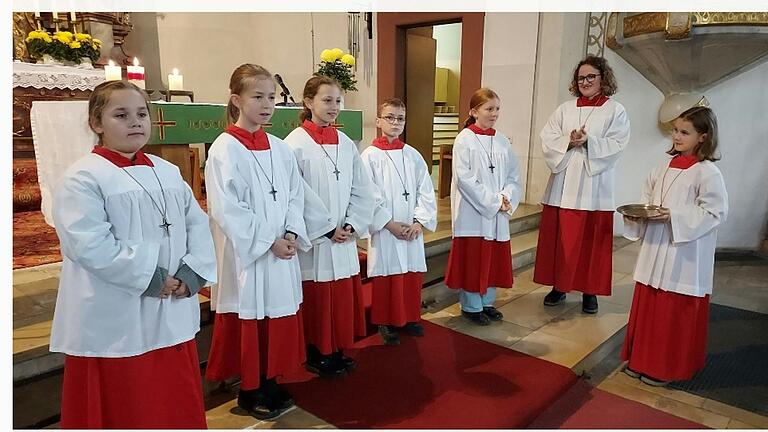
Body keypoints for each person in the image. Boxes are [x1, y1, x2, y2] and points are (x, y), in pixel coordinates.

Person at [49, 80, 216, 429]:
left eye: (141, 114)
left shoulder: (167, 171)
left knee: (171, 397)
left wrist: (191, 275)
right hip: (118, 312)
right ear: (97, 124)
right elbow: (88, 244)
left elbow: (198, 225)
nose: (135, 122)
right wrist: (153, 279)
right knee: (129, 401)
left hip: (172, 304)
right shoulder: (83, 178)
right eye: (121, 115)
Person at [204, 64, 310, 419]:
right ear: (236, 100)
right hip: (249, 255)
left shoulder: (281, 149)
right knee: (253, 316)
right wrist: (270, 242)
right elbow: (226, 208)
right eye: (258, 97)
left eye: (272, 97)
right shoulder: (224, 149)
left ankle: (271, 380)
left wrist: (292, 233)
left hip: (282, 250)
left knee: (276, 315)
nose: (268, 104)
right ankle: (250, 391)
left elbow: (297, 195)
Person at [621, 106, 727, 386]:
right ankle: (641, 360)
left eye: (684, 132)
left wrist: (675, 216)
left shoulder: (707, 172)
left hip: (684, 255)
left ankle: (664, 367)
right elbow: (647, 200)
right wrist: (637, 217)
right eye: (675, 131)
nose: (677, 137)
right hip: (655, 249)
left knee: (670, 312)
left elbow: (716, 213)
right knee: (650, 306)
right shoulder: (661, 167)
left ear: (703, 137)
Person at [284, 76, 374, 376]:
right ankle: (316, 352)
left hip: (344, 237)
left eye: (337, 101)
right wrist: (324, 228)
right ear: (308, 102)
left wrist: (351, 223)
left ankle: (335, 349)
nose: (334, 107)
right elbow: (295, 193)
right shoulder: (294, 144)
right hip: (316, 241)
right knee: (318, 300)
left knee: (339, 299)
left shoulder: (346, 143)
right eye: (326, 100)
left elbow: (361, 188)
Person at [534, 55, 631, 314]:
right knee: (563, 241)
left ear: (603, 78)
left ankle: (590, 291)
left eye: (591, 77)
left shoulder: (615, 110)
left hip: (594, 186)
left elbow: (618, 143)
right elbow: (548, 136)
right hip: (563, 185)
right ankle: (560, 286)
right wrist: (568, 139)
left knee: (591, 243)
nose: (585, 82)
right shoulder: (565, 109)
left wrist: (589, 142)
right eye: (581, 78)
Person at [361, 98, 437, 345]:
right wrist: (389, 224)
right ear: (379, 121)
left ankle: (411, 317)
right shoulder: (369, 157)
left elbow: (425, 189)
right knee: (387, 276)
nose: (395, 123)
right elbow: (366, 195)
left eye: (400, 118)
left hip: (411, 229)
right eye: (390, 117)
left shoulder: (412, 155)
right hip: (386, 230)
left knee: (410, 274)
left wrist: (419, 222)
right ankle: (386, 321)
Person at [444, 88, 522, 326]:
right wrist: (494, 201)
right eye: (489, 109)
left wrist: (507, 197)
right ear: (474, 111)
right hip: (473, 212)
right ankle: (471, 306)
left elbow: (513, 174)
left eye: (497, 108)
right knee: (474, 259)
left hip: (497, 211)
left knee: (492, 260)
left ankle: (487, 303)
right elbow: (464, 178)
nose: (494, 113)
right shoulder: (464, 139)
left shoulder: (502, 140)